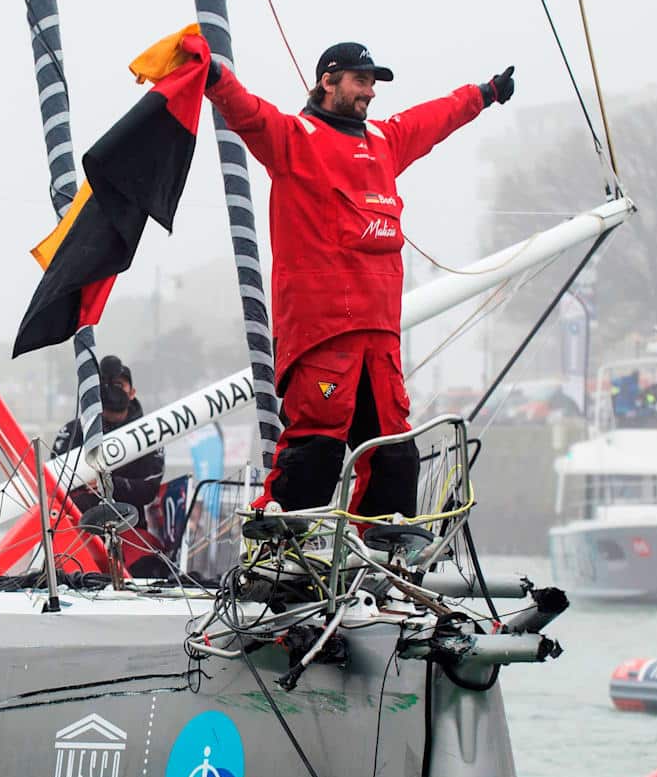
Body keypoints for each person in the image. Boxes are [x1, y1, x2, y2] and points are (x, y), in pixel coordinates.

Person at [201, 41, 514, 521]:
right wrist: (213, 77)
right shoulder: (294, 138)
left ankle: (385, 556)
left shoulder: (385, 143)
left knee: (395, 452)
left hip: (380, 339)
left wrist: (484, 93)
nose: (369, 92)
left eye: (372, 83)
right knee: (317, 448)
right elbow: (248, 113)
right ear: (328, 81)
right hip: (323, 334)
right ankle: (284, 549)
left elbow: (434, 119)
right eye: (360, 81)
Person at [53, 356, 167, 571]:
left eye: (118, 385)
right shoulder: (73, 432)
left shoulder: (148, 434)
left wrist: (109, 483)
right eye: (105, 384)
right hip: (79, 530)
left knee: (150, 568)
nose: (112, 390)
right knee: (65, 568)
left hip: (130, 531)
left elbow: (148, 490)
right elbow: (55, 485)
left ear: (132, 392)